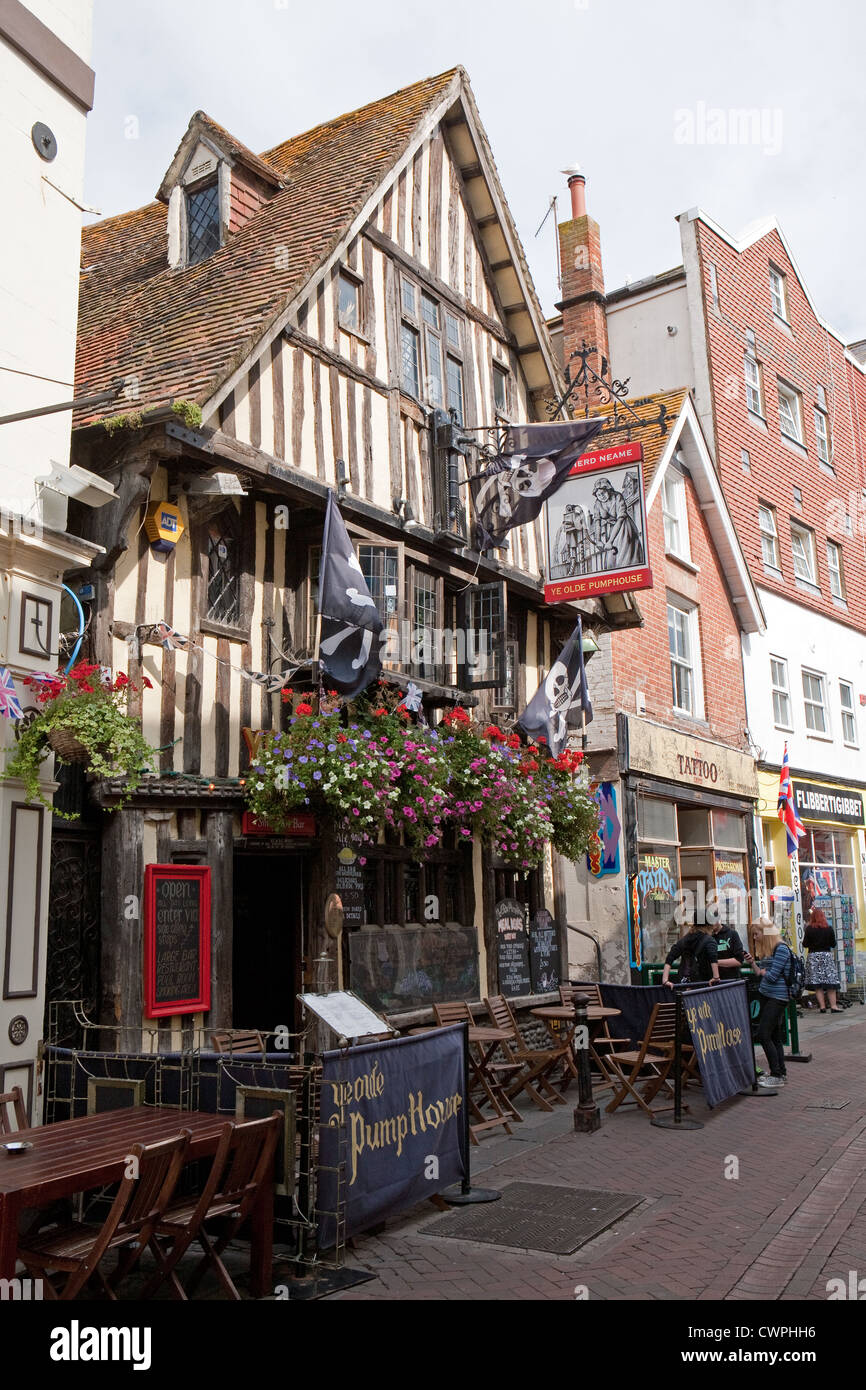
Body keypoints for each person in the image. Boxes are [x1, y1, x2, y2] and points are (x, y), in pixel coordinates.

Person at [754, 922, 792, 1087]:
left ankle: (776, 1074)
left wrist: (764, 972)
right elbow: (760, 973)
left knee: (763, 1034)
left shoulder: (781, 949)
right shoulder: (768, 950)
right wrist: (754, 964)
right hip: (767, 995)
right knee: (774, 1036)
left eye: (756, 934)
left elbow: (772, 976)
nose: (754, 938)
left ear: (765, 933)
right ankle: (780, 1073)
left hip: (778, 997)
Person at [803, 903, 841, 1013]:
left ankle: (822, 1006)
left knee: (817, 984)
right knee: (830, 982)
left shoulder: (809, 929)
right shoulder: (829, 929)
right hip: (826, 956)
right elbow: (833, 944)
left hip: (814, 957)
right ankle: (833, 1006)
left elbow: (805, 944)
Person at [661, 923, 721, 988]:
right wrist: (716, 977)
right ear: (709, 925)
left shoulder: (685, 939)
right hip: (703, 984)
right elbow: (713, 957)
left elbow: (670, 957)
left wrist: (665, 980)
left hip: (685, 982)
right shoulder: (709, 940)